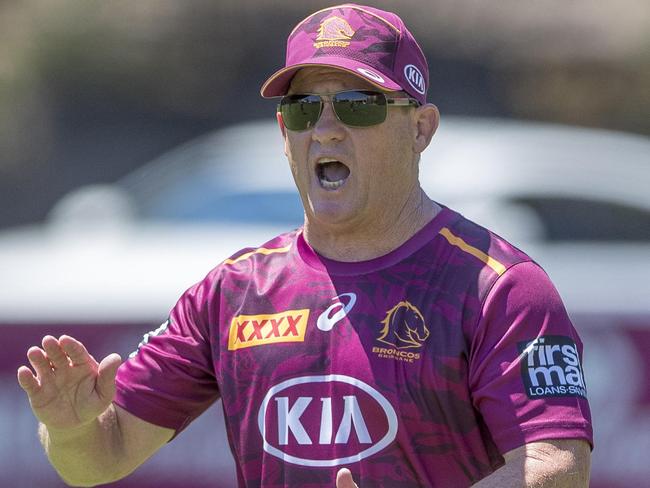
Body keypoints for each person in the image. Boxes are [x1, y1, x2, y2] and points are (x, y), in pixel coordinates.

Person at [17, 4, 592, 487]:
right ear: (283, 133)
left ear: (421, 129)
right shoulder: (235, 291)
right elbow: (100, 457)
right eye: (304, 108)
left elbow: (556, 464)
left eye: (359, 105)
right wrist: (69, 428)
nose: (326, 129)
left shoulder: (498, 285)